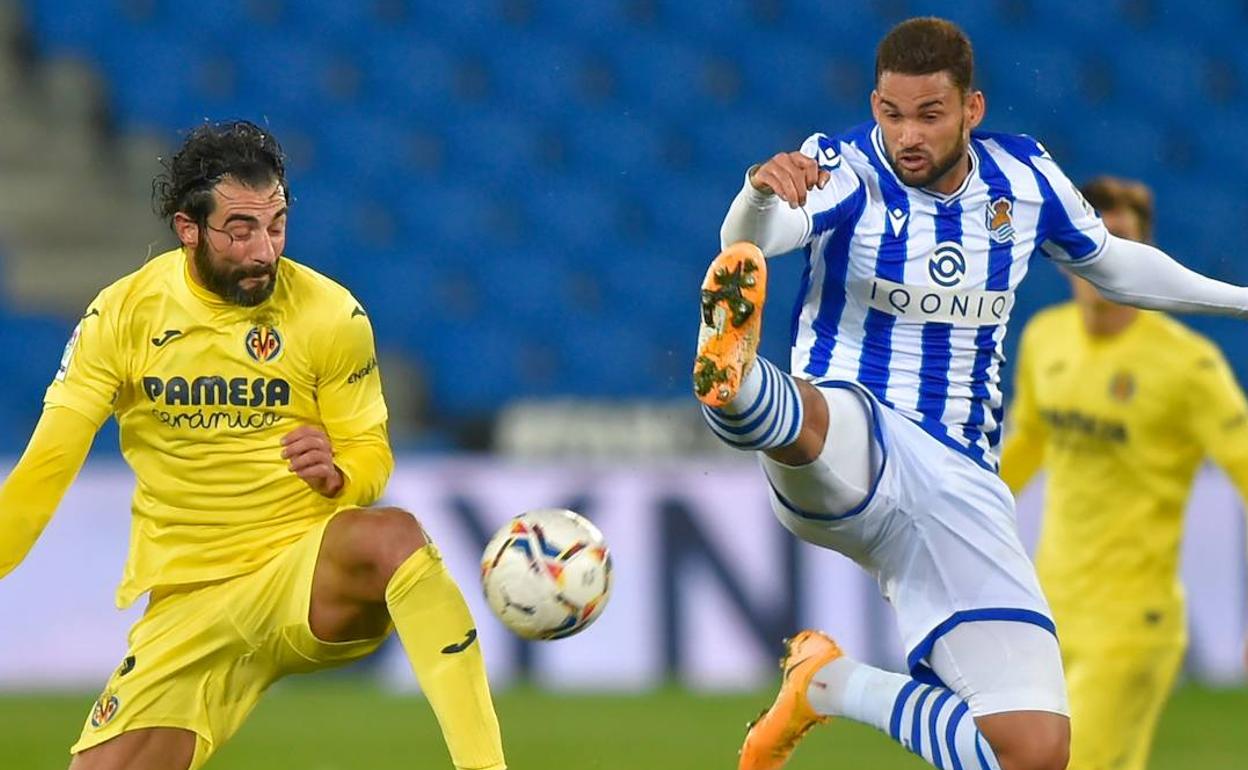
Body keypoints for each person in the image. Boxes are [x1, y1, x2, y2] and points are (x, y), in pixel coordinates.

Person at [693, 17, 1248, 770]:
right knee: (820, 416)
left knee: (1035, 752)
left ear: (971, 110)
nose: (907, 135)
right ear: (874, 105)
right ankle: (737, 386)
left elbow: (1114, 265)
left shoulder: (1023, 180)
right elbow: (753, 237)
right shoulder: (845, 166)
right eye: (892, 114)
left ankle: (826, 683)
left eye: (929, 115)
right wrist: (759, 193)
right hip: (853, 434)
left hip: (961, 485)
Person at [0, 121, 506, 770]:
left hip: (300, 571)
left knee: (393, 537)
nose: (264, 249)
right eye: (241, 230)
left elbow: (370, 453)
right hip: (188, 605)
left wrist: (340, 478)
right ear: (189, 229)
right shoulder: (122, 317)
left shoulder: (331, 315)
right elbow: (46, 468)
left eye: (277, 224)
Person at [999, 175, 1248, 770]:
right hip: (1050, 610)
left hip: (1133, 623)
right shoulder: (1044, 339)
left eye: (1124, 243)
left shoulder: (1188, 367)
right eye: (1096, 243)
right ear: (1067, 255)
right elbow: (1025, 448)